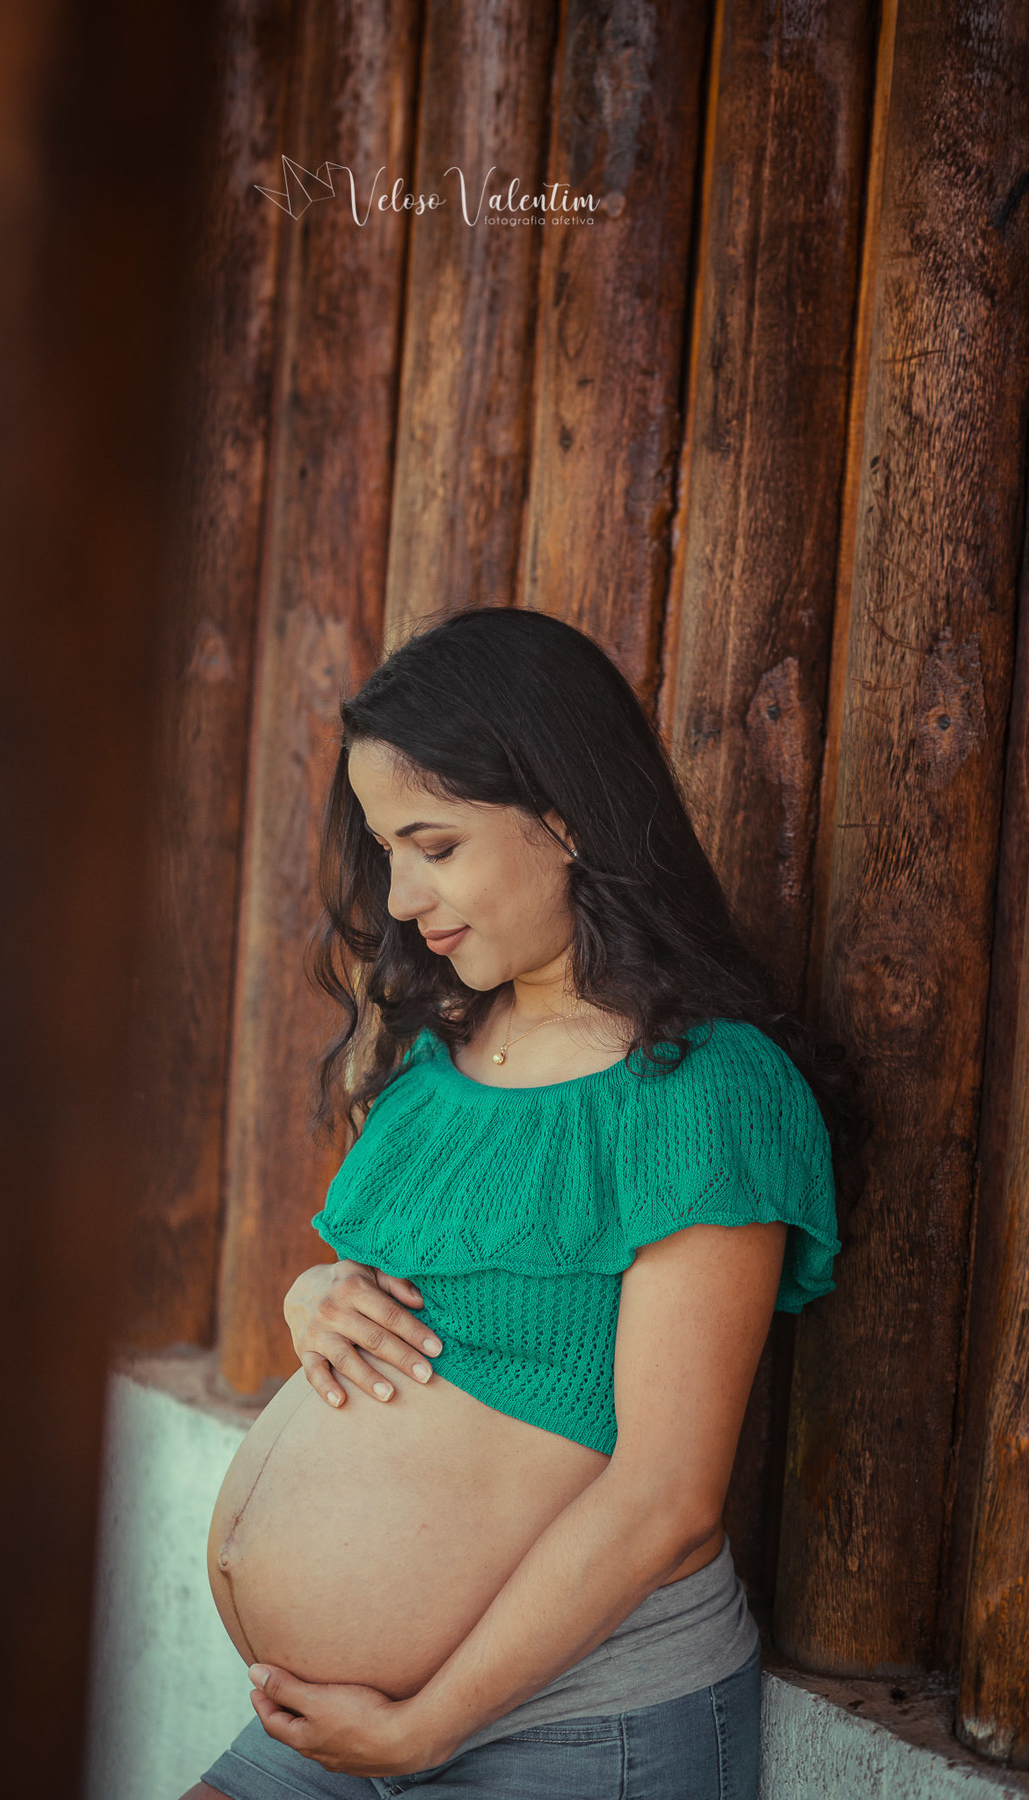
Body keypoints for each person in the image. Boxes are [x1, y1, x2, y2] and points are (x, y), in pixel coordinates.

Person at [184, 606, 864, 1800]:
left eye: (435, 846)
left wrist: (425, 1730)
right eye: (387, 850)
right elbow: (439, 1316)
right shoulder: (443, 1051)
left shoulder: (702, 1092)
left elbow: (667, 1500)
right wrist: (315, 1297)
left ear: (565, 817)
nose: (401, 896)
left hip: (571, 1727)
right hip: (342, 1727)